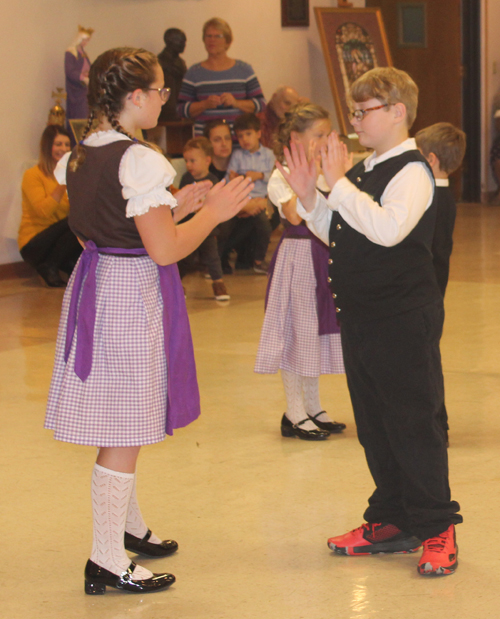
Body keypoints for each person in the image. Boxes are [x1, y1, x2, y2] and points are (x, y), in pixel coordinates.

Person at [44, 47, 252, 595]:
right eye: (161, 91)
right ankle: (107, 559)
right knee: (125, 424)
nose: (165, 99)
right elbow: (164, 251)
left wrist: (174, 204)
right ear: (135, 98)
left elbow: (106, 225)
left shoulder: (84, 153)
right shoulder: (139, 160)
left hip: (99, 285)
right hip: (127, 295)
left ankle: (127, 528)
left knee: (121, 416)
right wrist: (211, 214)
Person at [278, 67, 462, 576]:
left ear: (398, 112)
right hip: (362, 318)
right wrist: (311, 196)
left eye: (364, 111)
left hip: (402, 319)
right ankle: (393, 518)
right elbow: (337, 231)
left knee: (414, 422)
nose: (354, 120)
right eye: (353, 110)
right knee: (376, 424)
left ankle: (436, 527)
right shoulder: (360, 171)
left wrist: (334, 184)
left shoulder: (412, 171)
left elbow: (386, 230)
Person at [254, 103, 346, 440]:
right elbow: (294, 216)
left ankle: (313, 405)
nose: (325, 140)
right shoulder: (281, 175)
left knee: (316, 333)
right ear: (295, 138)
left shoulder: (327, 173)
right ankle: (293, 411)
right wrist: (303, 180)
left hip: (324, 257)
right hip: (298, 258)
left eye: (328, 134)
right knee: (297, 332)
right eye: (318, 135)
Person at [415, 121, 467, 444]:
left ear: (430, 159)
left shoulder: (429, 199)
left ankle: (436, 422)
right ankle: (436, 421)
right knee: (427, 355)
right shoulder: (443, 197)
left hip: (425, 290)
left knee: (424, 358)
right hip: (434, 289)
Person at [177, 17, 266, 143]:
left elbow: (261, 104)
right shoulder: (194, 73)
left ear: (228, 42)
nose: (212, 40)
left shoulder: (244, 70)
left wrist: (236, 103)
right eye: (208, 36)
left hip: (240, 145)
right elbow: (181, 109)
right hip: (206, 147)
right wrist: (204, 104)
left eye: (217, 36)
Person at [18, 124, 82, 287]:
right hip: (34, 243)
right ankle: (50, 265)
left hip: (58, 241)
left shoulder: (72, 175)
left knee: (84, 221)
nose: (64, 149)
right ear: (47, 147)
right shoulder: (32, 175)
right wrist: (62, 183)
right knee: (74, 223)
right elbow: (43, 212)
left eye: (67, 145)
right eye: (58, 144)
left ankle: (63, 264)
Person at [178, 137, 230, 301]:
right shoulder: (186, 179)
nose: (188, 165)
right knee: (184, 258)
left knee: (212, 257)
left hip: (207, 228)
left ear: (207, 160)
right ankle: (177, 285)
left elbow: (214, 204)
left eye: (193, 160)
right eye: (186, 161)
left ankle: (218, 284)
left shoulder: (212, 181)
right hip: (188, 227)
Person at [223, 113, 274, 274]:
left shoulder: (268, 155)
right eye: (240, 136)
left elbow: (275, 177)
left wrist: (259, 175)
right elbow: (228, 178)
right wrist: (234, 179)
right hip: (243, 200)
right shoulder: (237, 156)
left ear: (259, 133)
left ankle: (258, 259)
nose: (245, 139)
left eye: (249, 134)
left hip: (262, 200)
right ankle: (225, 255)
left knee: (264, 227)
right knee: (235, 227)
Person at [65, 26, 94, 128]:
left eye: (87, 40)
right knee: (79, 115)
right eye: (84, 40)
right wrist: (82, 77)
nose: (86, 43)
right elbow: (70, 71)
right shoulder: (71, 53)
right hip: (76, 91)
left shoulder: (83, 53)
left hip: (84, 90)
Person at [157, 27, 187, 122]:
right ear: (170, 41)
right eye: (181, 41)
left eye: (184, 41)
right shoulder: (160, 62)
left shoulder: (181, 63)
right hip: (167, 111)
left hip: (179, 109)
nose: (184, 45)